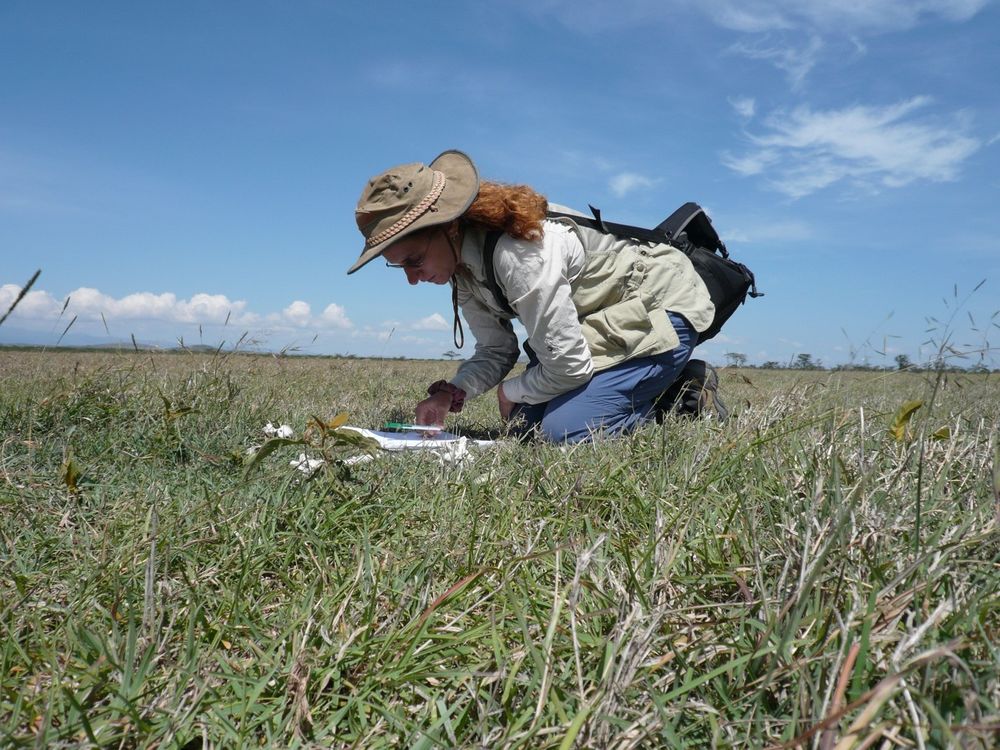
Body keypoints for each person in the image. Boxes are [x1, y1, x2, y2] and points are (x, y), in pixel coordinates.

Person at [348, 150, 718, 443]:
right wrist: (452, 392)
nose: (413, 279)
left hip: (662, 308)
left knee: (566, 432)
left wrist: (512, 388)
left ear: (449, 226)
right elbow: (496, 350)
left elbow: (568, 367)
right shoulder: (462, 266)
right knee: (525, 424)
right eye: (401, 268)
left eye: (414, 260)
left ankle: (680, 389)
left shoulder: (519, 256)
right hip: (603, 324)